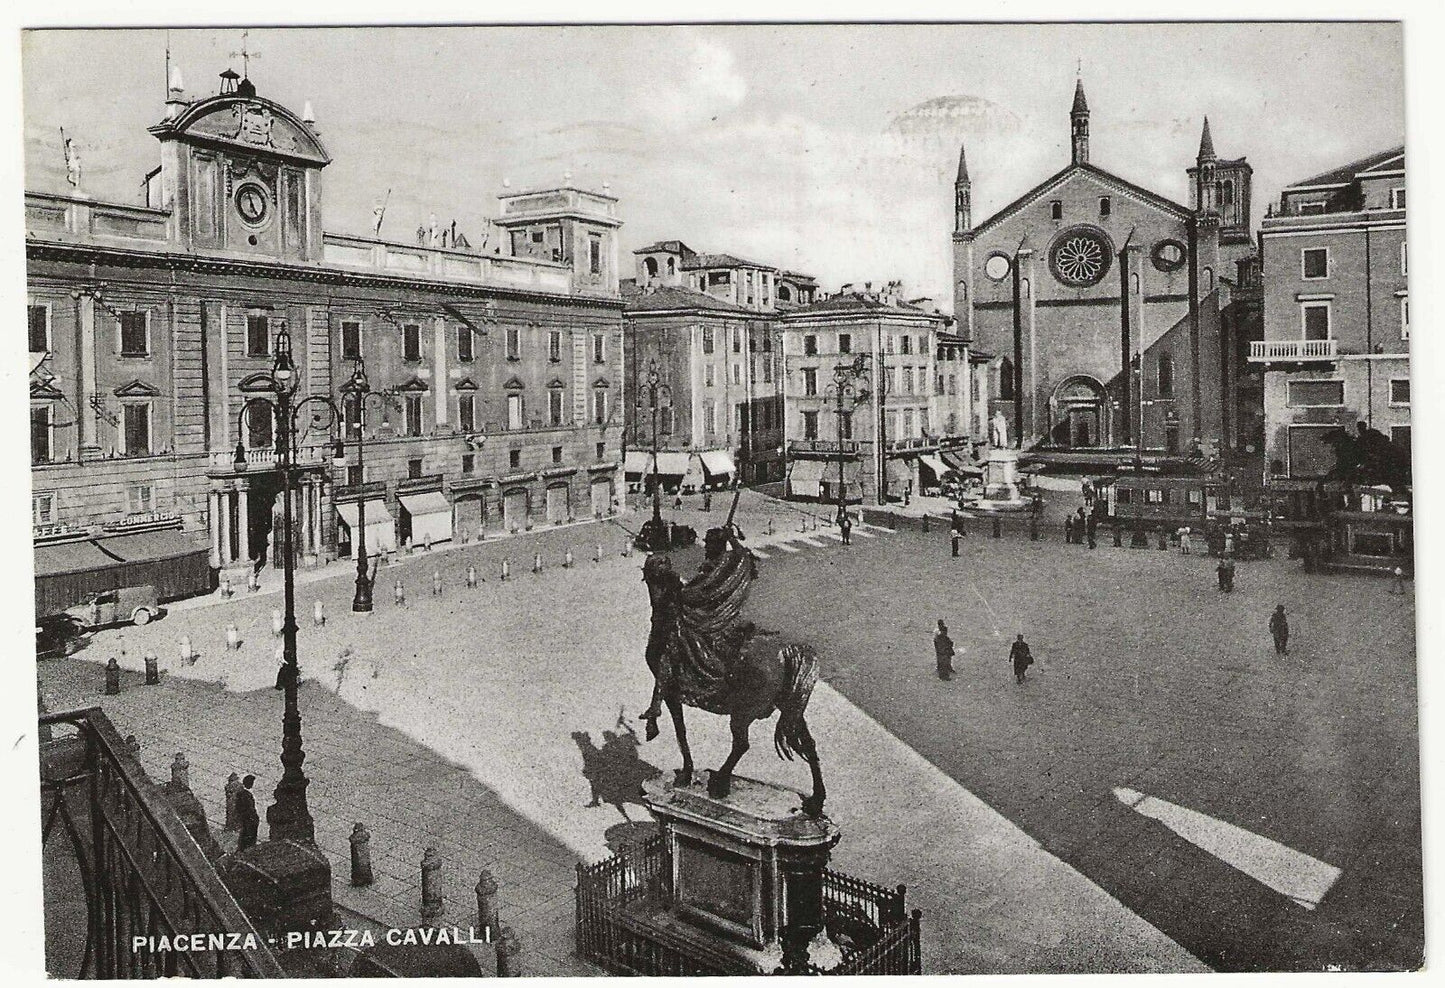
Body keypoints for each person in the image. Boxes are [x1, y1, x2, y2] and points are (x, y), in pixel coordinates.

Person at [235, 774, 259, 851]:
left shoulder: (241, 793)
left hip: (246, 818)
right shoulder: (246, 794)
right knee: (249, 835)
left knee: (245, 834)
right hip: (249, 818)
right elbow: (250, 808)